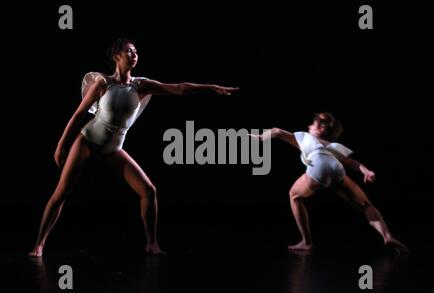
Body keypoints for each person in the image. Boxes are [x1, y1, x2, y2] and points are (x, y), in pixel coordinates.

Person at [29, 39, 238, 257]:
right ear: (116, 57)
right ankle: (39, 244)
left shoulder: (141, 85)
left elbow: (179, 89)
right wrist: (62, 144)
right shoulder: (103, 84)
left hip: (113, 150)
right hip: (87, 142)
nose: (134, 54)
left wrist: (211, 87)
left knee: (149, 191)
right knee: (61, 192)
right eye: (129, 51)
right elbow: (79, 114)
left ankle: (151, 243)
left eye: (136, 51)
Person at [250, 112, 409, 254]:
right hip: (336, 169)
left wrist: (259, 138)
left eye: (312, 125)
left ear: (319, 130)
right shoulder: (333, 147)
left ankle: (307, 242)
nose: (309, 126)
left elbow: (277, 131)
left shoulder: (305, 137)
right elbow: (352, 163)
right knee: (366, 205)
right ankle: (387, 235)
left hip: (319, 164)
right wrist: (367, 171)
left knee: (294, 195)